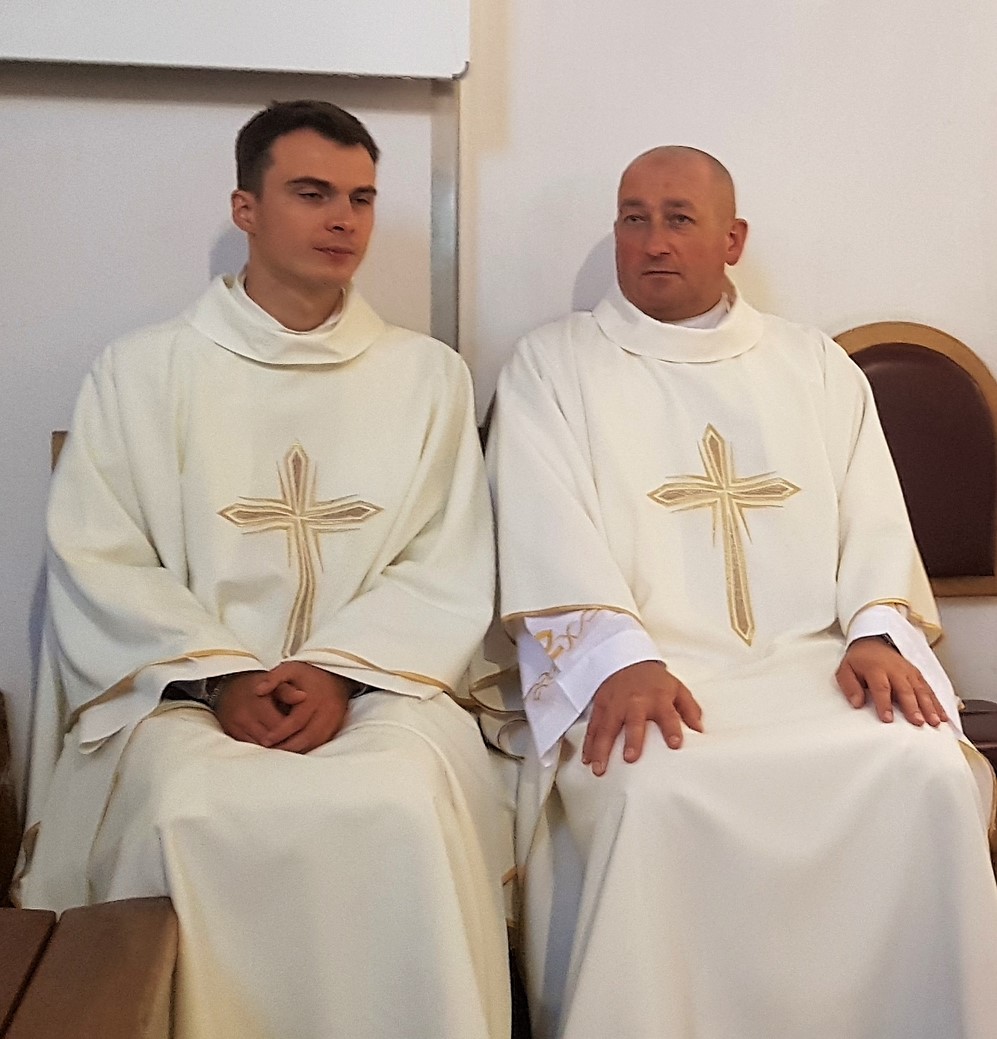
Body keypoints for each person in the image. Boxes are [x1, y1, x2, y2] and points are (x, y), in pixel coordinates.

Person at [17, 100, 512, 1039]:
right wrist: (224, 674)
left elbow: (447, 557)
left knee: (400, 797)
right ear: (245, 208)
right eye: (312, 193)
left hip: (378, 689)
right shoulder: (143, 371)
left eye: (361, 198)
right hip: (184, 694)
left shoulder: (426, 376)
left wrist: (334, 671)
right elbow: (100, 555)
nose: (343, 220)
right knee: (191, 803)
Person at [488, 145, 997, 1039]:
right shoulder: (552, 366)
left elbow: (874, 516)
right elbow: (542, 524)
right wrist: (616, 659)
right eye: (632, 218)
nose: (651, 240)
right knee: (650, 789)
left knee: (921, 768)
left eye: (678, 219)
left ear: (732, 239)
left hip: (814, 666)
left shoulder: (811, 365)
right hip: (649, 675)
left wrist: (876, 630)